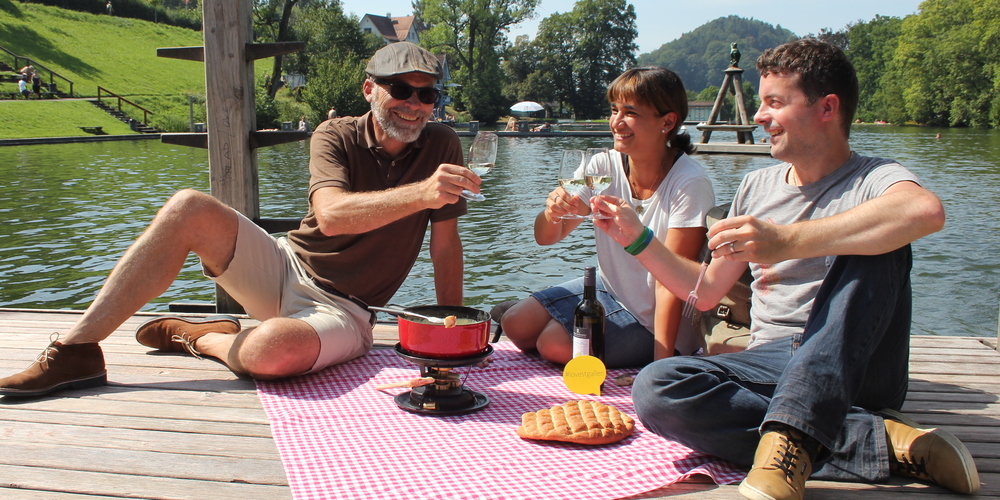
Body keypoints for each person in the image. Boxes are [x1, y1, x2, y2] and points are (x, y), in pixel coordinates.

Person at [591, 39, 978, 499]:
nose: (758, 116)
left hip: (862, 367)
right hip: (774, 359)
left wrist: (786, 240)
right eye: (759, 102)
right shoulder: (757, 185)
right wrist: (638, 239)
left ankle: (792, 439)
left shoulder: (873, 177)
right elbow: (707, 291)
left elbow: (925, 211)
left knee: (883, 237)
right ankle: (882, 440)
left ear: (827, 108)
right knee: (658, 387)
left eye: (774, 102)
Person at [0, 41, 480, 398]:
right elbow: (331, 217)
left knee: (268, 353)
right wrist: (421, 192)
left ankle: (206, 336)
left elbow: (446, 246)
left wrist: (453, 335)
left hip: (346, 309)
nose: (414, 105)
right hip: (284, 263)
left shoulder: (442, 144)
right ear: (370, 89)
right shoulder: (334, 133)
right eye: (401, 90)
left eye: (427, 95)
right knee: (189, 206)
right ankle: (76, 351)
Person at [500, 67, 715, 368]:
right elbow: (546, 237)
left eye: (630, 112)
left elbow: (674, 284)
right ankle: (567, 321)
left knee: (553, 345)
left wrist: (661, 369)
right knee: (514, 324)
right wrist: (552, 212)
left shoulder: (689, 183)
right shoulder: (601, 166)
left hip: (656, 319)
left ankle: (569, 325)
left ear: (668, 122)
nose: (616, 122)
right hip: (610, 288)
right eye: (614, 110)